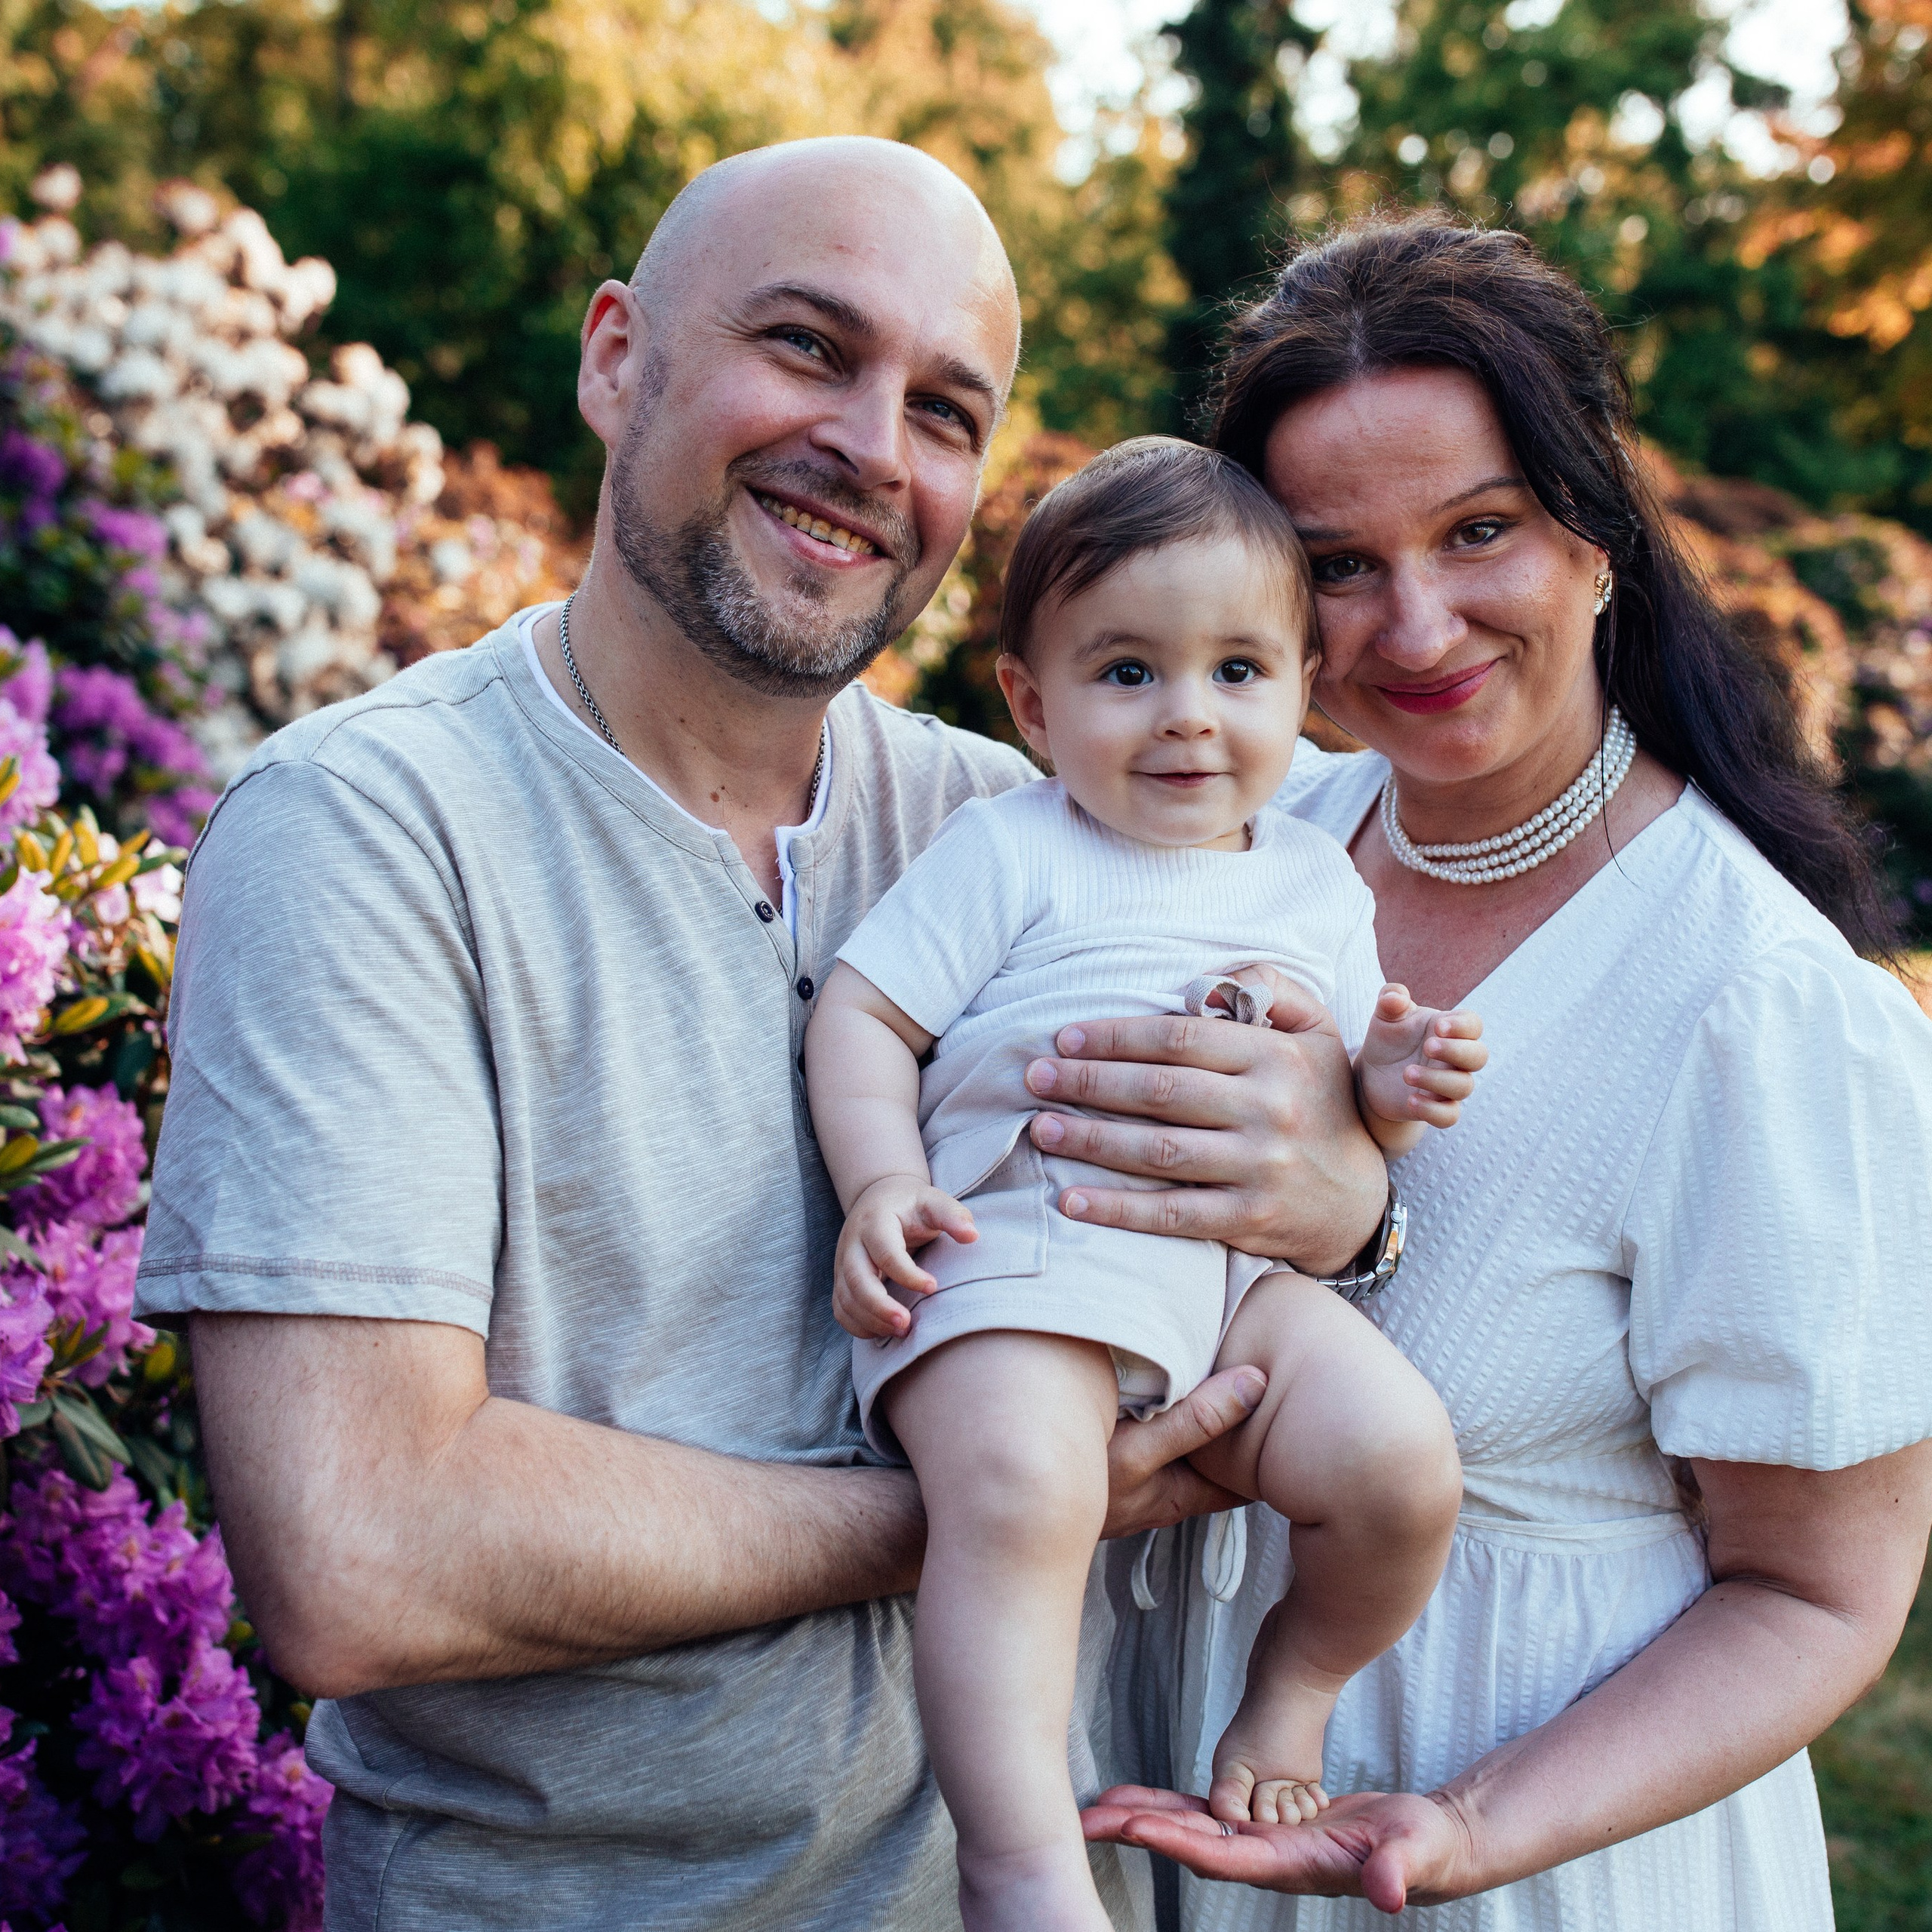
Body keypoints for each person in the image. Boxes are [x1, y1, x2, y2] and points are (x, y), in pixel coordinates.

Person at [131, 139, 1393, 1930]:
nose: (875, 448)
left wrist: (1347, 1188)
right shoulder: (370, 828)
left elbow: (1396, 873)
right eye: (808, 346)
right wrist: (1013, 1498)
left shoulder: (1027, 824)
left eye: (945, 410)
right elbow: (362, 1552)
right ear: (615, 356)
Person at [1084, 211, 1932, 1930]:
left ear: (1594, 538)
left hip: (1530, 1866)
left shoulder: (1748, 1000)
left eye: (1478, 531)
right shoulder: (1247, 853)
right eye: (1334, 562)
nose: (1413, 622)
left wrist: (1463, 1826)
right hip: (1185, 1814)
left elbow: (1815, 1593)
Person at [804, 438, 1481, 1931]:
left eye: (1237, 670)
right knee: (1021, 1488)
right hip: (1021, 1259)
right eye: (1126, 673)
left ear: (1303, 687)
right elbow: (863, 1013)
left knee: (1396, 1458)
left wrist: (1395, 1081)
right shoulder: (1012, 848)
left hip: (1233, 1282)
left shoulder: (1310, 882)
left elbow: (1346, 1106)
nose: (1186, 716)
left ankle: (1290, 1686)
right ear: (1032, 704)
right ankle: (1019, 1854)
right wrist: (880, 1180)